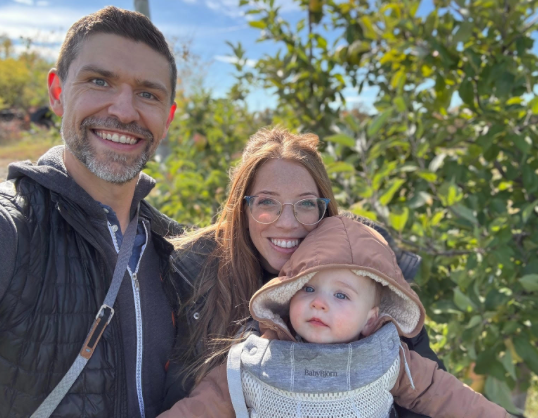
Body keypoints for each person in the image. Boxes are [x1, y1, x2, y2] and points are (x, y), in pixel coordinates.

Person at [162, 127, 444, 418]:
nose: (286, 223)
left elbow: (427, 397)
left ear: (326, 210)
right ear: (242, 209)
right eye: (267, 202)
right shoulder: (194, 279)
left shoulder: (368, 275)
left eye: (306, 204)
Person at [0, 7, 182, 417]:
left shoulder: (174, 249)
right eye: (99, 81)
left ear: (167, 118)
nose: (123, 111)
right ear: (57, 91)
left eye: (148, 93)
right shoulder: (13, 226)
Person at [160, 216, 509, 418]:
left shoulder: (389, 357)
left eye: (341, 295)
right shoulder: (258, 358)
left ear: (371, 319)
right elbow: (200, 408)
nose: (319, 303)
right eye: (308, 289)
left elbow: (448, 395)